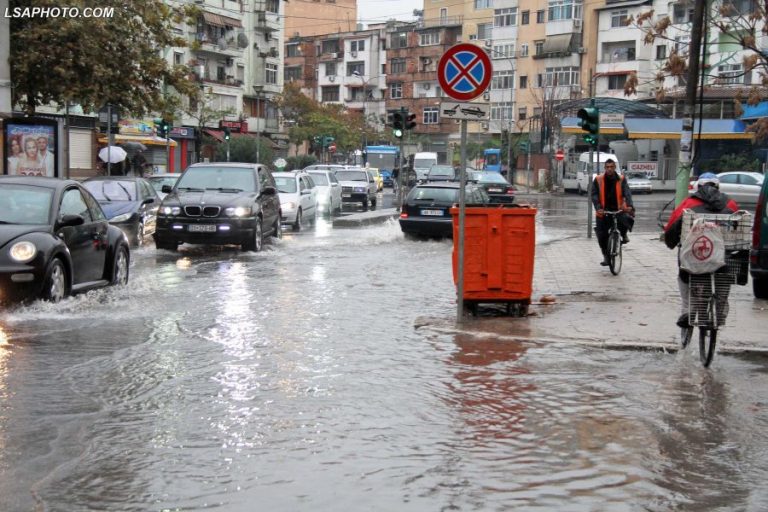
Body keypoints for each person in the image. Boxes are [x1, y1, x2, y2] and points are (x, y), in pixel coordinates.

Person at [663, 172, 739, 328]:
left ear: (698, 187)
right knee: (725, 276)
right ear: (718, 186)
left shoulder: (688, 204)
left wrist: (671, 242)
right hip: (722, 259)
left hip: (695, 257)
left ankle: (687, 309)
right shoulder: (731, 204)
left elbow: (672, 228)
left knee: (683, 272)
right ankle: (721, 310)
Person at [590, 158, 635, 266]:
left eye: (611, 167)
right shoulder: (598, 179)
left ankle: (623, 235)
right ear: (605, 168)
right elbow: (594, 194)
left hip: (618, 209)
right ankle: (606, 257)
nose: (609, 169)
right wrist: (598, 206)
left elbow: (627, 193)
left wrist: (629, 206)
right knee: (601, 235)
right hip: (603, 211)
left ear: (615, 167)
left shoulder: (621, 179)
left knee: (626, 220)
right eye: (607, 167)